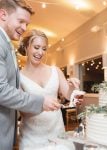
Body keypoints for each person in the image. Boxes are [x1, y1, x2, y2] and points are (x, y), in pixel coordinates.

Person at [0, 1, 61, 150]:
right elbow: (1, 91)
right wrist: (40, 102)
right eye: (20, 21)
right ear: (3, 15)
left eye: (26, 24)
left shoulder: (7, 45)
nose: (24, 28)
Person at [18, 29, 82, 150]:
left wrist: (73, 87)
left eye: (44, 49)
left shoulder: (55, 71)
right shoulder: (18, 76)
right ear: (27, 47)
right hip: (31, 138)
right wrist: (42, 104)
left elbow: (68, 95)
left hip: (57, 135)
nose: (40, 52)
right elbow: (23, 111)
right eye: (36, 47)